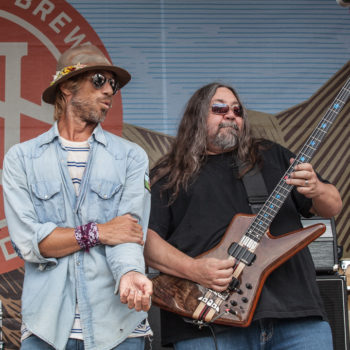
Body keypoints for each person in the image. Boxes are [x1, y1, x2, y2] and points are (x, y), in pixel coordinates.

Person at [144, 82, 343, 350]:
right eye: (219, 108)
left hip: (295, 314)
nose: (231, 115)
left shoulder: (271, 155)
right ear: (196, 116)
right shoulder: (169, 174)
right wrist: (195, 270)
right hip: (208, 324)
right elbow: (146, 241)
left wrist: (317, 188)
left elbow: (331, 207)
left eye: (237, 111)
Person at [2, 44, 152, 350]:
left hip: (118, 328)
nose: (109, 90)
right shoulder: (21, 158)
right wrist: (100, 232)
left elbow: (128, 232)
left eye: (114, 84)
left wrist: (130, 273)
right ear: (67, 88)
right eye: (99, 80)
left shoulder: (131, 157)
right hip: (47, 328)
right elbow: (31, 244)